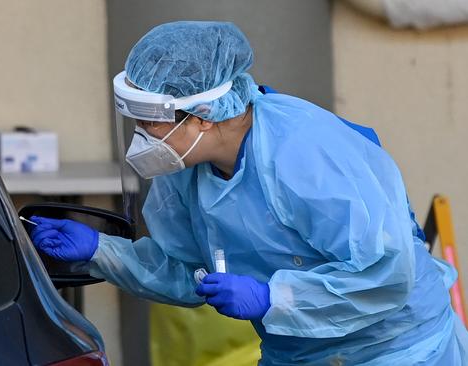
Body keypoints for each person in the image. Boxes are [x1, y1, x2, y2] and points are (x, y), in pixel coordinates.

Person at [29, 21, 468, 365]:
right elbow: (188, 273)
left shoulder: (305, 153)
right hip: (299, 353)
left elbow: (387, 274)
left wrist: (272, 297)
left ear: (202, 115)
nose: (141, 136)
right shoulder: (185, 168)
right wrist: (102, 251)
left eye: (148, 120)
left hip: (397, 350)